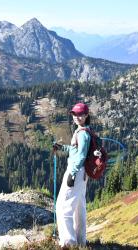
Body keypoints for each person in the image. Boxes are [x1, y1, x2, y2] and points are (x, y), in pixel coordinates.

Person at [53, 102, 91, 247]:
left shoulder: (82, 134)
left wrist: (72, 174)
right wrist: (62, 147)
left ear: (86, 115)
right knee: (79, 208)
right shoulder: (84, 131)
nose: (77, 117)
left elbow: (81, 156)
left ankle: (69, 243)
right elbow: (76, 150)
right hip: (83, 174)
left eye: (80, 114)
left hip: (76, 171)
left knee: (63, 206)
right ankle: (81, 241)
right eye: (74, 114)